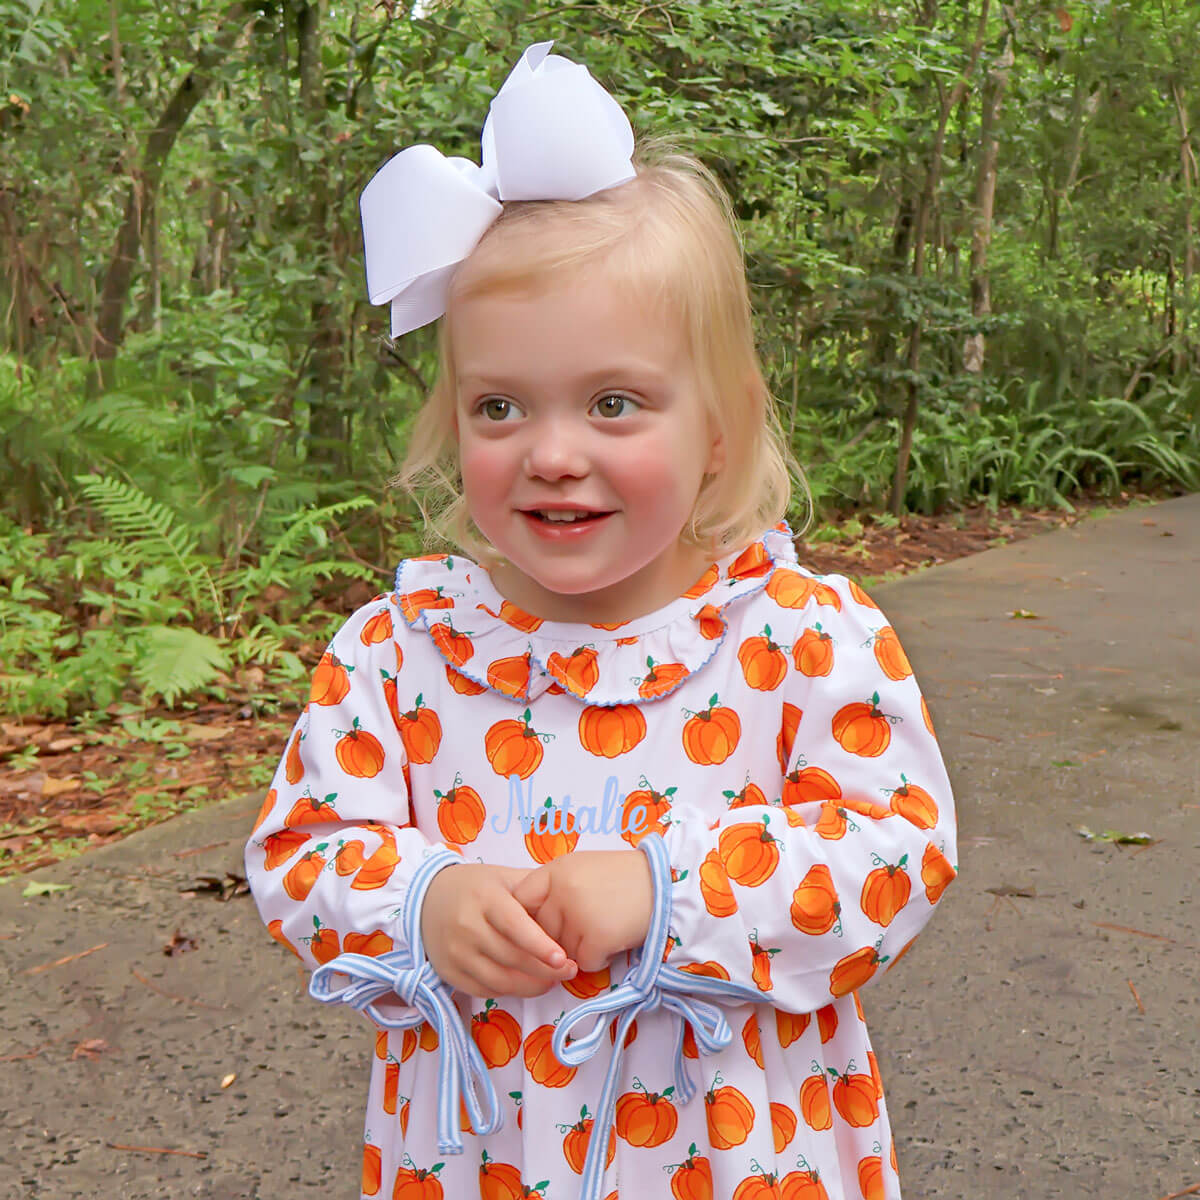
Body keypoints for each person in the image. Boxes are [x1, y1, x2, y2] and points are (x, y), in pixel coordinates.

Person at [245, 42, 957, 1200]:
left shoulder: (797, 638)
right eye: (500, 406)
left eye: (613, 402)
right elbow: (300, 853)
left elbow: (897, 849)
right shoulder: (399, 655)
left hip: (737, 1156)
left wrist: (673, 891)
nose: (553, 453)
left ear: (719, 428)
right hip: (477, 1156)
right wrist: (419, 902)